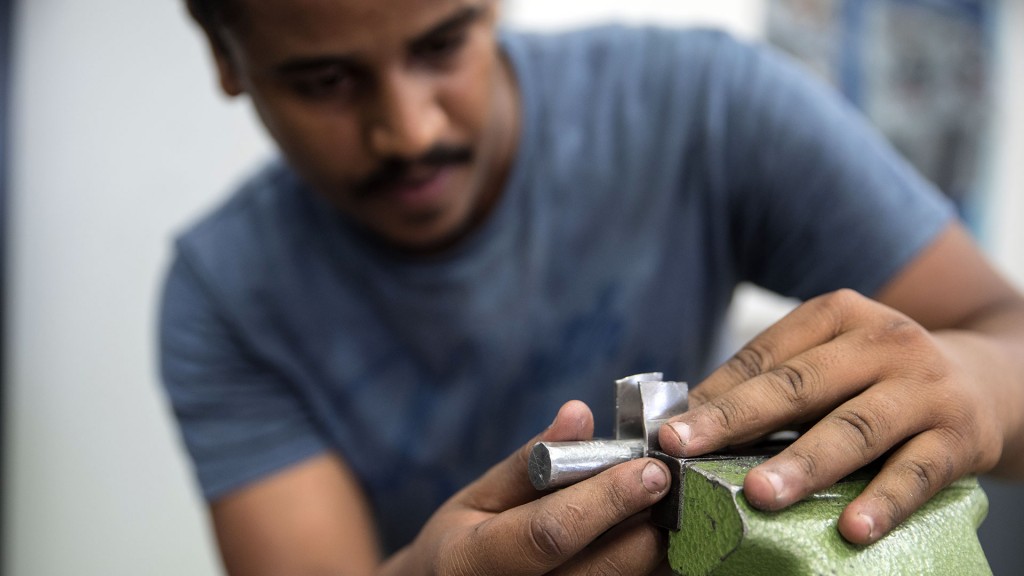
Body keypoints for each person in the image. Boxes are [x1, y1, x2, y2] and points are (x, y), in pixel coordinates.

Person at [161, 0, 1024, 574]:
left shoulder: (705, 102)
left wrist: (979, 381)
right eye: (325, 81)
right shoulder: (225, 292)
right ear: (221, 52)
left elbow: (1003, 331)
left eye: (440, 45)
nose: (408, 131)